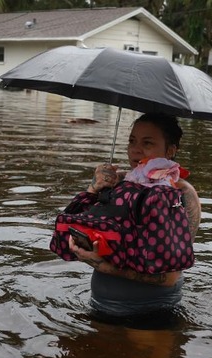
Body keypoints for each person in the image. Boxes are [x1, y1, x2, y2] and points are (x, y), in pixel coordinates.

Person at [65, 112, 201, 317]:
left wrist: (106, 267)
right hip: (100, 304)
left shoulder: (181, 194)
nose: (136, 150)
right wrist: (93, 189)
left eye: (147, 143)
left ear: (170, 150)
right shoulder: (117, 182)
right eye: (132, 141)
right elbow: (73, 224)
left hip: (152, 311)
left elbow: (170, 276)